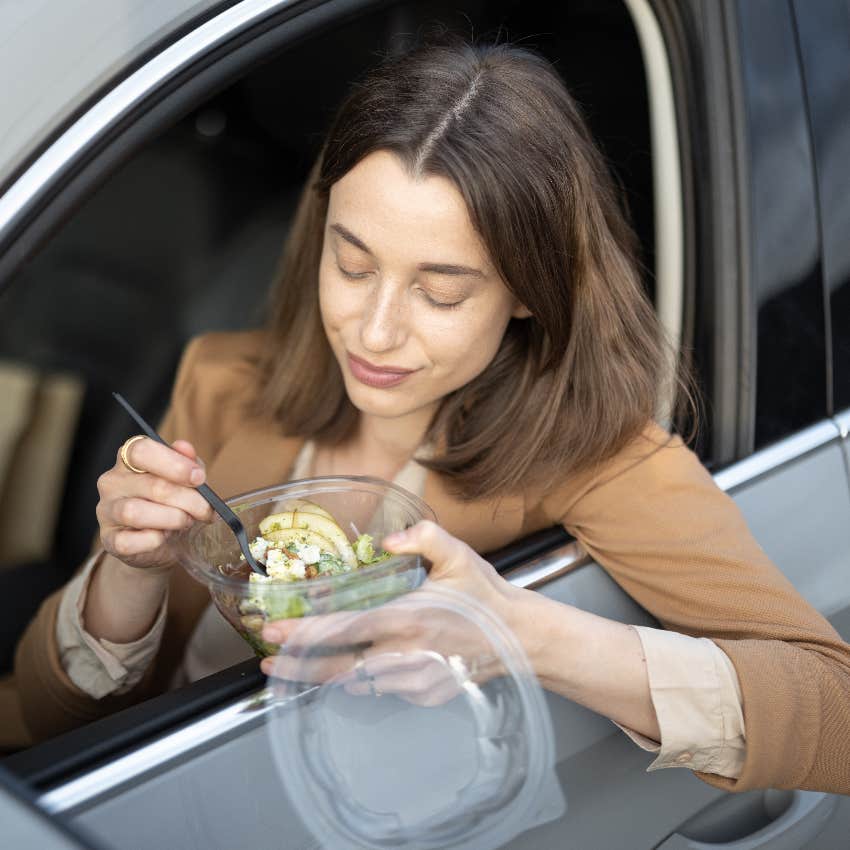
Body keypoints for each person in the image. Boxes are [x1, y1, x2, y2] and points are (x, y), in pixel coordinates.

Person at [10, 40, 850, 795]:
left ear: (530, 291)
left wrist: (518, 633)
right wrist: (132, 573)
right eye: (352, 264)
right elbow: (50, 728)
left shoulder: (601, 460)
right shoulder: (224, 382)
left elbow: (835, 713)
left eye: (441, 291)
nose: (375, 333)